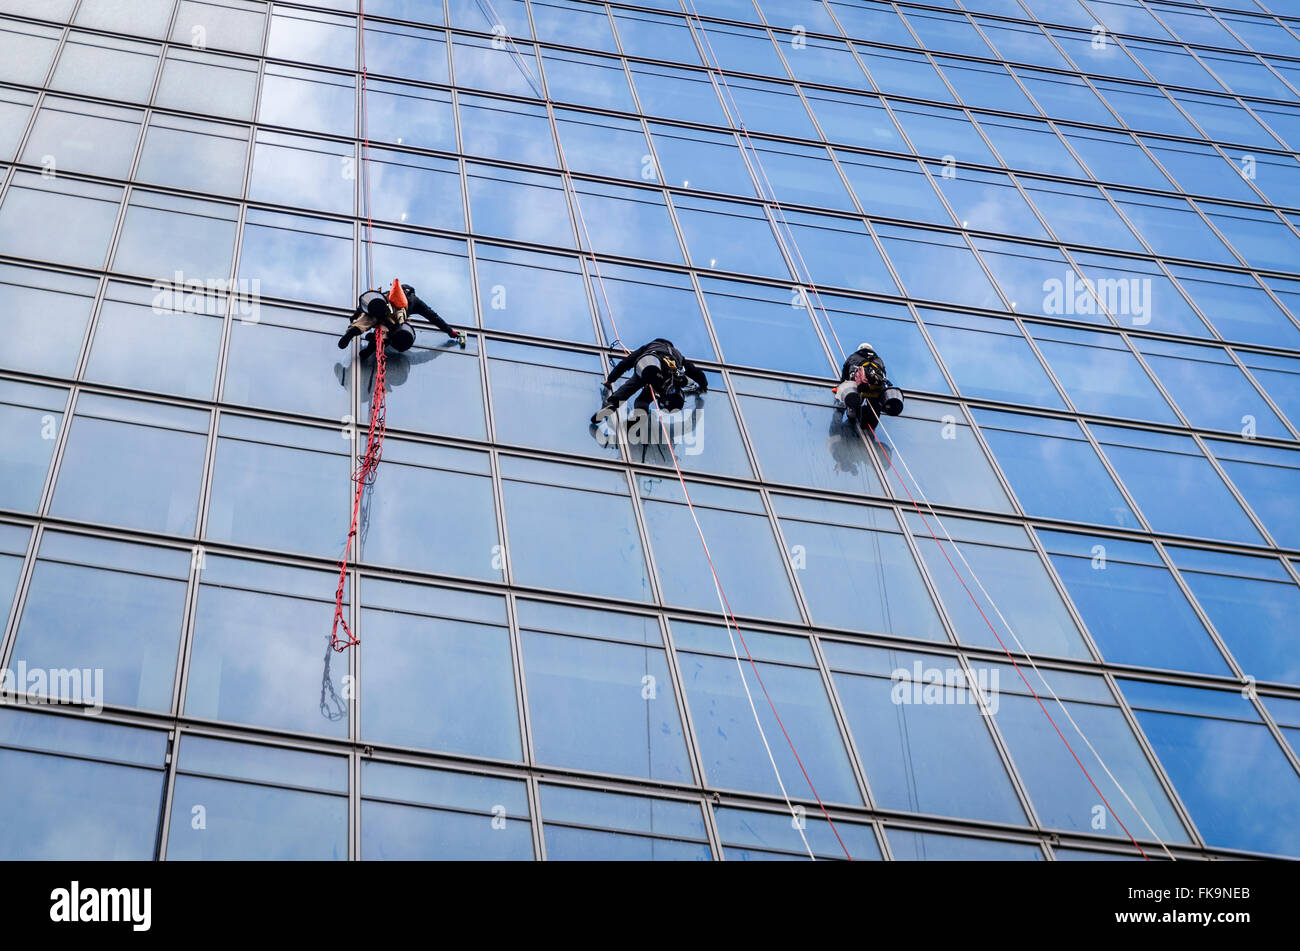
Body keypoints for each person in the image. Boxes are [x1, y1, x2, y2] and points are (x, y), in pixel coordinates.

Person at [337, 279, 466, 358]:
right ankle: (372, 347)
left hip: (382, 309)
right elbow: (433, 317)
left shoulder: (389, 294)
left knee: (368, 318)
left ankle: (352, 332)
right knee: (388, 333)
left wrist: (354, 316)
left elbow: (369, 304)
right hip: (394, 320)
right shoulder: (415, 301)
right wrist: (450, 331)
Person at [591, 338, 708, 424]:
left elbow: (626, 363)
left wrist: (610, 380)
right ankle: (640, 415)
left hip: (650, 365)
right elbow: (696, 372)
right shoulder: (678, 355)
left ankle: (612, 405)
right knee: (644, 399)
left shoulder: (650, 346)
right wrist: (703, 386)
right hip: (665, 377)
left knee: (632, 385)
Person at [834, 342, 903, 427]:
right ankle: (870, 422)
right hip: (876, 386)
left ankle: (853, 415)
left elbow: (845, 372)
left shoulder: (854, 356)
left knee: (853, 397)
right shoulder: (878, 359)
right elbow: (884, 373)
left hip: (860, 385)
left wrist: (841, 385)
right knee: (875, 404)